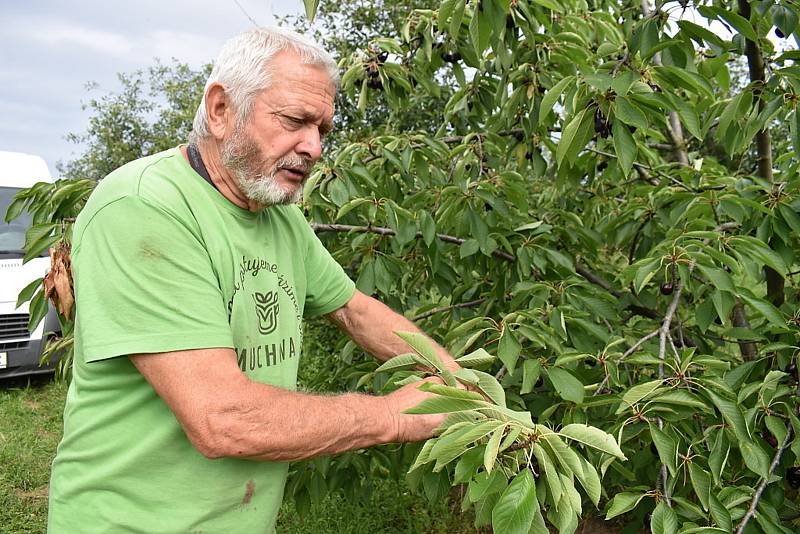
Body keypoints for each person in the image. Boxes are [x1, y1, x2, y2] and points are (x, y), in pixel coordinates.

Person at [47, 26, 460, 533]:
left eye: (323, 129)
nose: (313, 147)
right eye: (294, 120)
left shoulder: (278, 214)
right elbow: (223, 419)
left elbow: (353, 310)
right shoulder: (143, 207)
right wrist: (396, 416)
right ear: (221, 109)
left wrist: (458, 381)